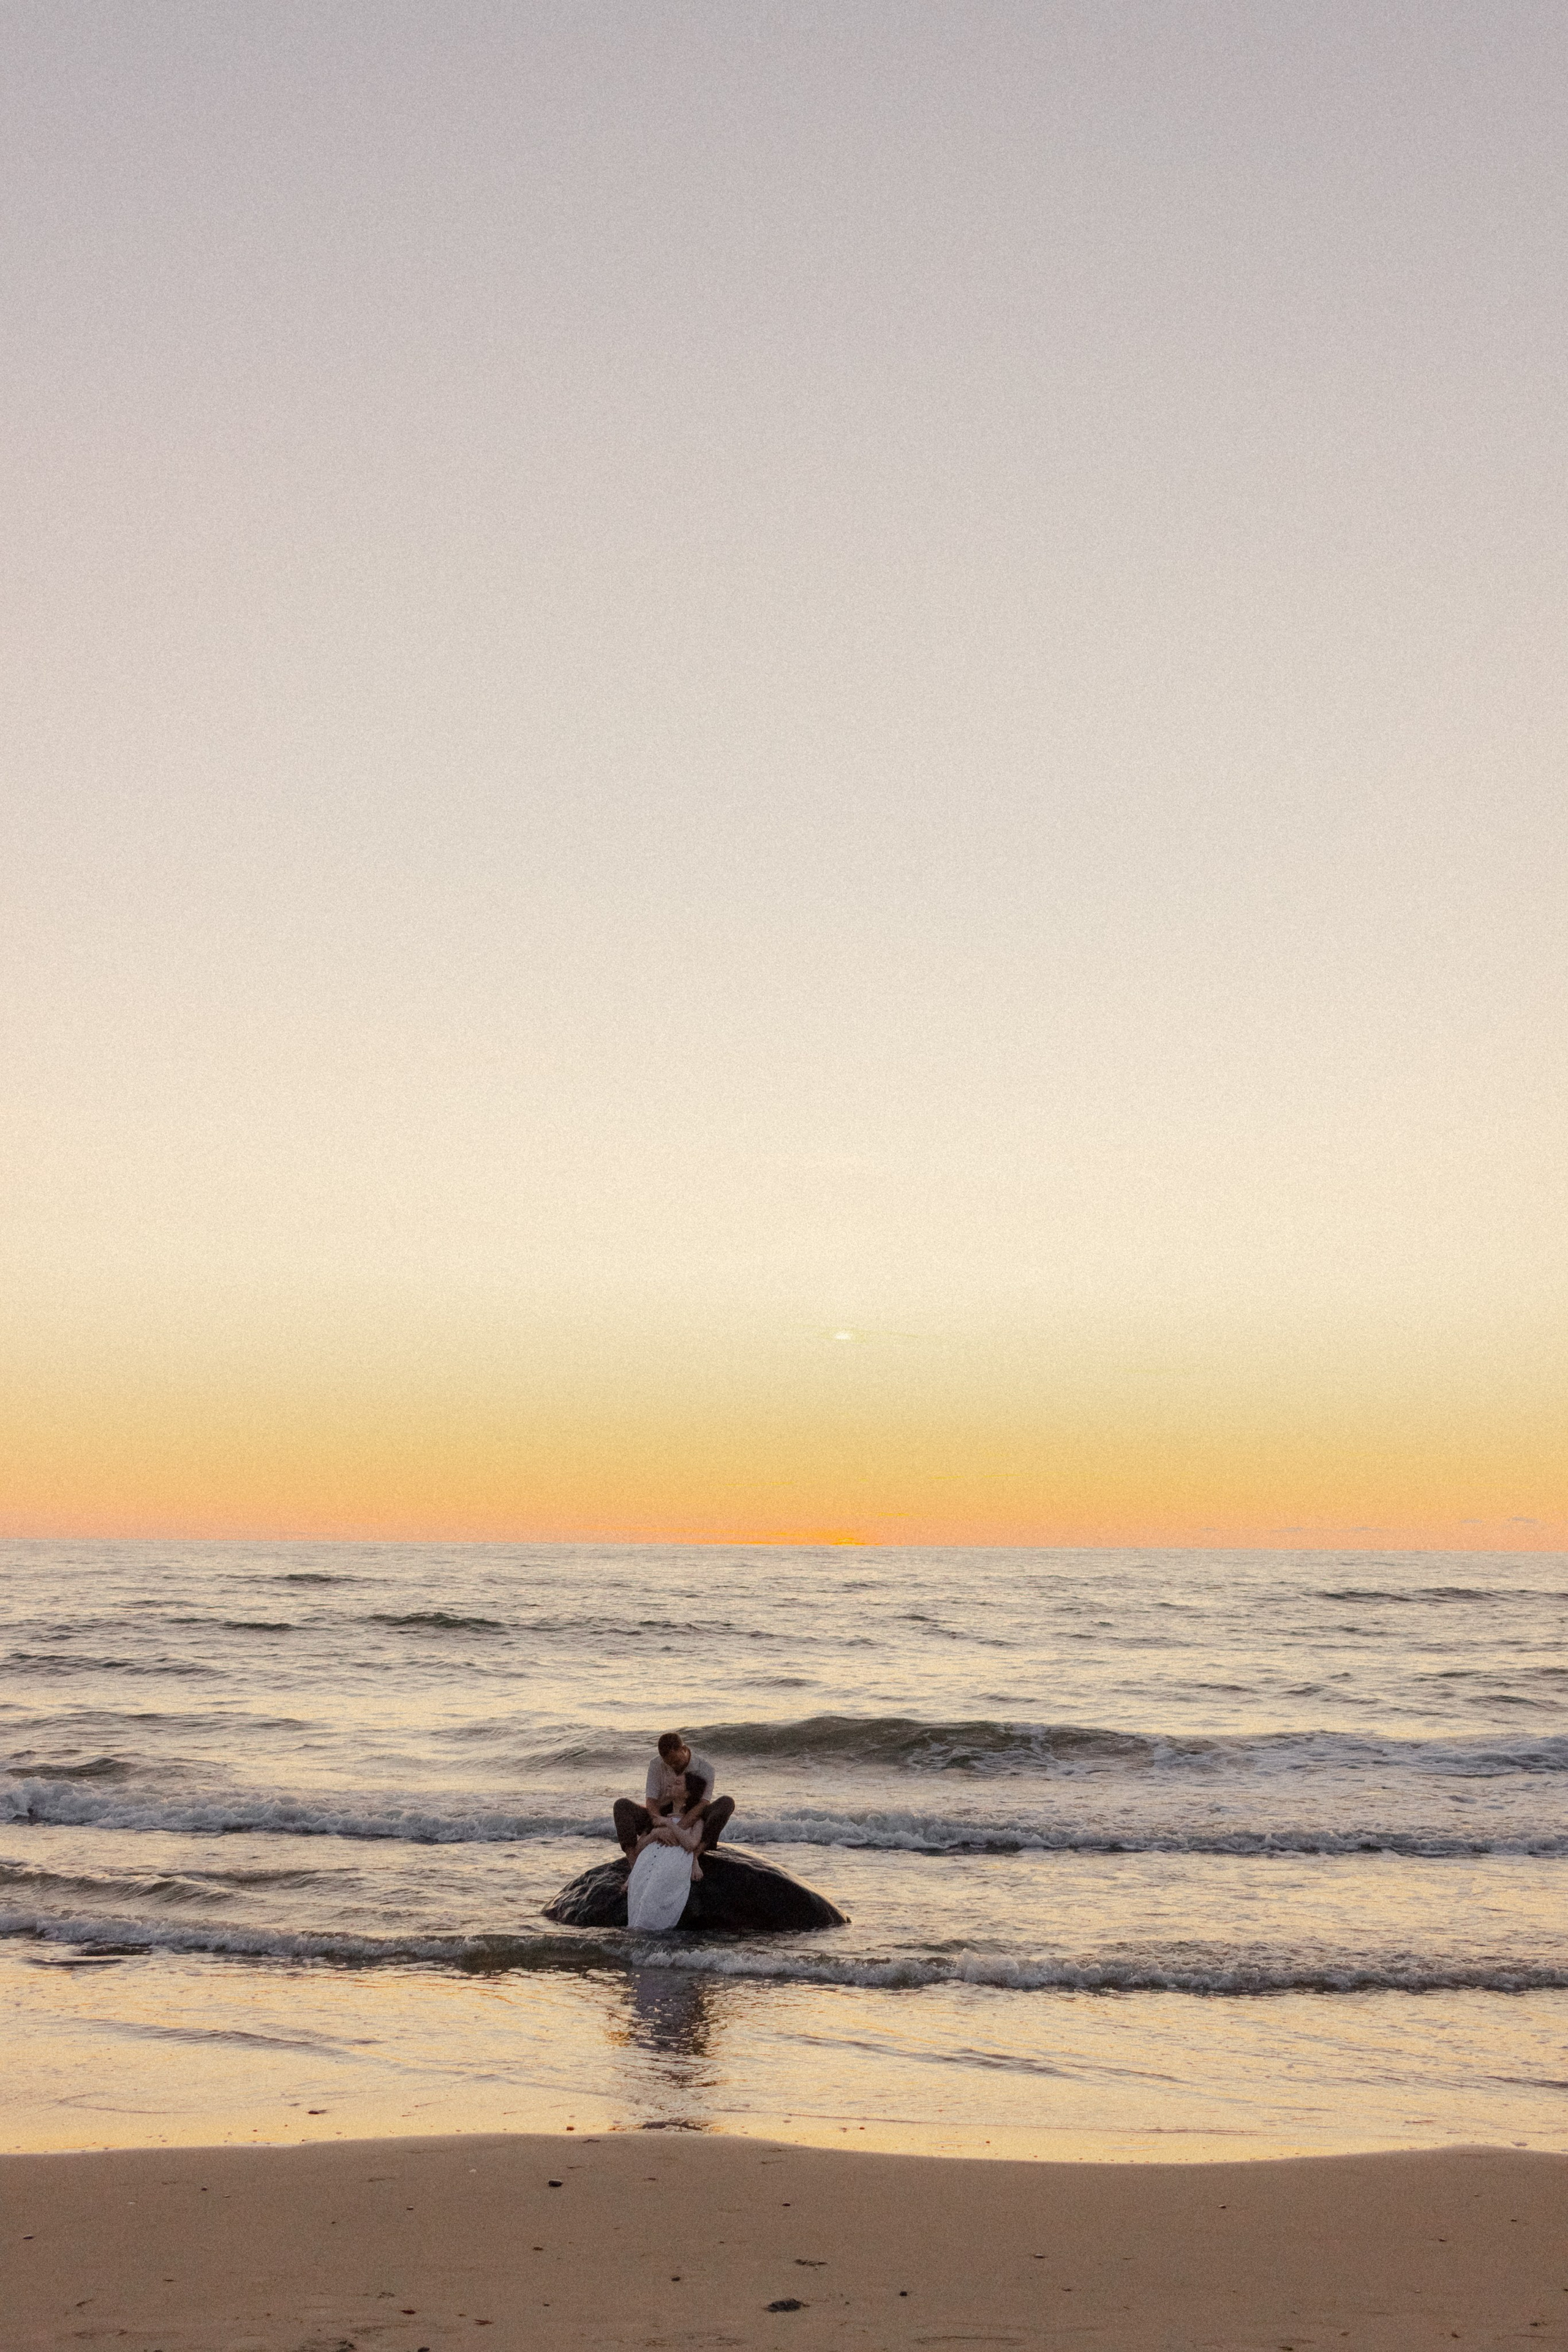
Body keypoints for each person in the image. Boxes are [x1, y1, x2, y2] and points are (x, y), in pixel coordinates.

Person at [613, 1730, 734, 1859]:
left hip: (693, 1817)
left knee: (726, 1803)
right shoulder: (656, 1764)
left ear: (684, 1749)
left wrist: (675, 1830)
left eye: (676, 1762)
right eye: (669, 1764)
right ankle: (632, 1861)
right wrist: (659, 1824)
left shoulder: (706, 1769)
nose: (673, 1766)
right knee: (621, 1805)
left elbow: (703, 1804)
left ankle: (697, 1855)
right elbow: (651, 1800)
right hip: (660, 1817)